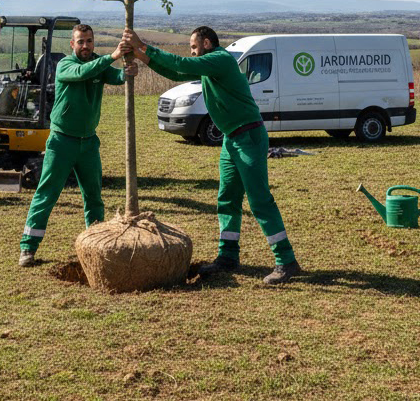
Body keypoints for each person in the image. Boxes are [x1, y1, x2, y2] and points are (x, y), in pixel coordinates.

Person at [122, 26, 303, 285]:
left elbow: (182, 65)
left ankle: (286, 261)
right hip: (232, 139)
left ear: (207, 43)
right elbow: (175, 72)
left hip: (249, 137)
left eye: (194, 47)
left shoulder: (219, 59)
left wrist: (144, 46)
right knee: (227, 198)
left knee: (260, 200)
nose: (192, 52)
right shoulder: (210, 66)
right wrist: (142, 57)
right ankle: (228, 256)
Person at [19, 24, 137, 266]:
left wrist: (127, 72)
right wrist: (113, 56)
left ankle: (95, 246)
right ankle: (28, 248)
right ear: (72, 45)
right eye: (81, 41)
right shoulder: (65, 65)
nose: (85, 46)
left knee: (94, 197)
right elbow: (83, 73)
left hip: (89, 143)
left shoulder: (98, 63)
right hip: (62, 141)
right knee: (47, 193)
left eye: (89, 41)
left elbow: (113, 76)